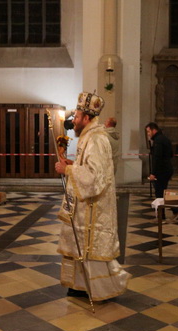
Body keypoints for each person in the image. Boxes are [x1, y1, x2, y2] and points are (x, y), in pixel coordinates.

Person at [54, 92, 129, 303]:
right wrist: (73, 165)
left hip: (93, 208)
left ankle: (99, 289)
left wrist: (68, 170)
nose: (74, 121)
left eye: (77, 117)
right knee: (81, 248)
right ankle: (82, 286)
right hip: (84, 206)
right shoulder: (89, 136)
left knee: (91, 250)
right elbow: (89, 168)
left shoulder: (95, 139)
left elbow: (96, 178)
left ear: (86, 118)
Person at [146, 122, 173, 199]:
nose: (148, 134)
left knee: (159, 193)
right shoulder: (164, 138)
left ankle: (162, 205)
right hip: (166, 169)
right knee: (162, 191)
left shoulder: (158, 141)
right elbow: (171, 154)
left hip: (161, 171)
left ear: (154, 130)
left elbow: (157, 158)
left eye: (148, 131)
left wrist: (153, 173)